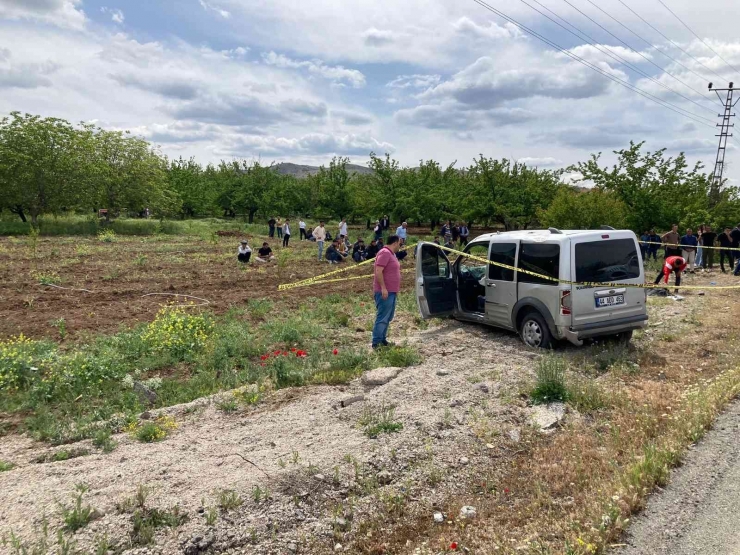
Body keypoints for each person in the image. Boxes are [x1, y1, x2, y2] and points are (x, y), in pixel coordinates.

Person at [372, 235, 402, 349]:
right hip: (385, 291)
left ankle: (382, 339)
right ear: (395, 243)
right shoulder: (384, 253)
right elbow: (378, 271)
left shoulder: (392, 254)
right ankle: (376, 343)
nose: (400, 246)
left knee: (388, 317)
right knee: (382, 317)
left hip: (392, 291)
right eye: (400, 243)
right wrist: (383, 288)